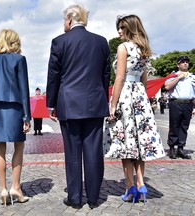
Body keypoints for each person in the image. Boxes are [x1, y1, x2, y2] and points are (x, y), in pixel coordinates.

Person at [46, 4, 110, 209]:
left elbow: (53, 76)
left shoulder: (59, 42)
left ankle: (74, 197)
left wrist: (51, 104)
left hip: (69, 104)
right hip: (94, 103)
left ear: (69, 19)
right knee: (93, 151)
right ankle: (93, 197)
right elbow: (105, 75)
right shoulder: (101, 42)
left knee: (72, 152)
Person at [103, 15, 166, 204]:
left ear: (130, 28)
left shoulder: (123, 48)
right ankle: (141, 184)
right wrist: (142, 101)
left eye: (122, 28)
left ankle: (130, 187)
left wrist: (113, 104)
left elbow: (120, 78)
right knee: (140, 143)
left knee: (125, 142)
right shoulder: (144, 50)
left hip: (125, 96)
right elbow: (144, 80)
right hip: (140, 96)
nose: (119, 31)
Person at [0, 29, 31, 206]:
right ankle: (15, 187)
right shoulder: (19, 59)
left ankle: (3, 189)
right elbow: (24, 89)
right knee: (19, 146)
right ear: (14, 42)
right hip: (16, 107)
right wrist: (27, 116)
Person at [164, 55, 195, 159]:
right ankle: (172, 147)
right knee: (174, 125)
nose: (185, 63)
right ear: (178, 64)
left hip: (188, 104)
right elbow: (167, 87)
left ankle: (181, 148)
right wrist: (178, 78)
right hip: (176, 103)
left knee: (184, 126)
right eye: (183, 62)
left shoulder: (192, 76)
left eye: (187, 62)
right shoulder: (173, 75)